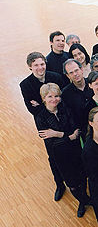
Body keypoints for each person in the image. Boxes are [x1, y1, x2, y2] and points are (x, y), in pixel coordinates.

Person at [35, 83, 90, 217]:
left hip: (75, 149)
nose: (54, 99)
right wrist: (66, 136)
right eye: (50, 97)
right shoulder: (40, 117)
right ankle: (83, 201)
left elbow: (75, 130)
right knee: (71, 182)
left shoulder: (65, 107)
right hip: (59, 155)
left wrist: (57, 134)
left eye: (57, 96)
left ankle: (86, 199)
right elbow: (52, 143)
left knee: (82, 175)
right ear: (43, 98)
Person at [20, 52, 66, 201]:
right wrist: (51, 106)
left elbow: (63, 99)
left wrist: (43, 104)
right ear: (30, 67)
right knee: (53, 155)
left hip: (63, 118)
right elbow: (32, 109)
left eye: (42, 64)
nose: (40, 68)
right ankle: (59, 184)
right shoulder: (25, 85)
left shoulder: (56, 77)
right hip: (44, 124)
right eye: (36, 65)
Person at [61, 59, 93, 135]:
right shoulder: (65, 94)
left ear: (81, 69)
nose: (75, 74)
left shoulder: (93, 83)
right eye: (71, 73)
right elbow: (68, 115)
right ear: (68, 76)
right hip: (83, 131)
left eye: (76, 70)